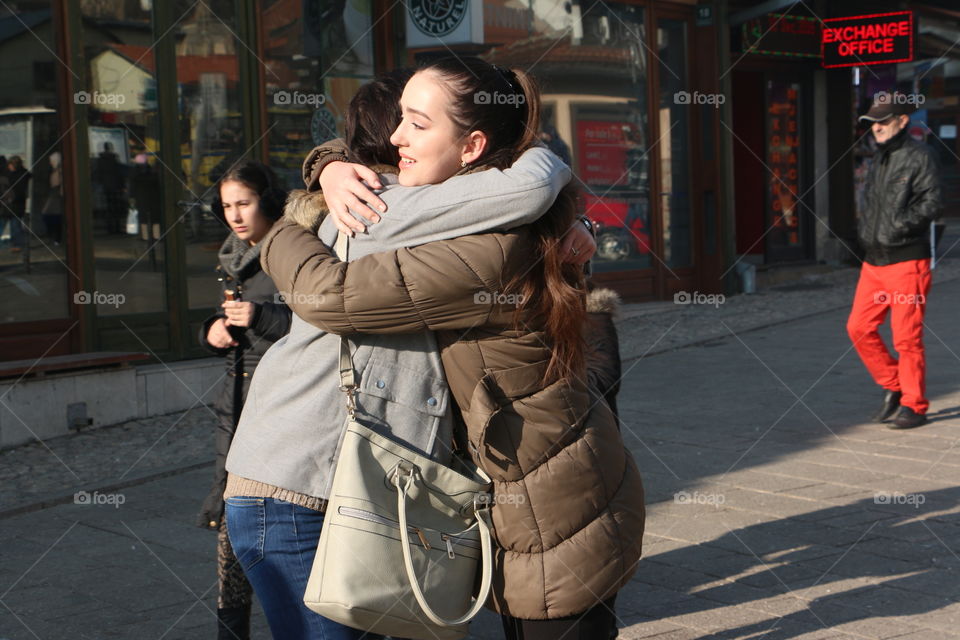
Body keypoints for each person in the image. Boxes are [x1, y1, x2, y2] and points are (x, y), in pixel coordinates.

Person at [260, 56, 645, 639]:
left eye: (417, 123)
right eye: (398, 120)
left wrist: (283, 228)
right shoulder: (486, 210)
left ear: (472, 148)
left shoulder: (485, 248)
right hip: (541, 488)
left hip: (553, 512)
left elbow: (329, 296)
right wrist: (330, 166)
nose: (397, 137)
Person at [198, 160, 292, 639]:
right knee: (230, 528)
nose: (234, 215)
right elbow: (225, 320)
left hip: (276, 407)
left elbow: (318, 321)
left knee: (270, 529)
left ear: (267, 200)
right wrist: (211, 330)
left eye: (244, 203)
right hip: (233, 403)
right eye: (227, 205)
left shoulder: (289, 249)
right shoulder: (233, 255)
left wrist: (260, 316)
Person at [847, 92, 942, 430]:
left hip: (906, 260)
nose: (876, 127)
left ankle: (914, 406)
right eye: (872, 122)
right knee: (858, 328)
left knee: (906, 337)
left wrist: (898, 227)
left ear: (902, 121)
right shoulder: (879, 158)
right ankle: (894, 384)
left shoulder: (921, 156)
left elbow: (932, 203)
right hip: (874, 262)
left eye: (883, 121)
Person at [5, 156, 32, 253]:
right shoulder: (18, 174)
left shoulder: (19, 175)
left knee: (15, 223)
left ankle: (17, 244)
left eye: (10, 165)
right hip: (15, 202)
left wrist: (11, 198)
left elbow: (19, 190)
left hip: (16, 203)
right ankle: (16, 243)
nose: (9, 167)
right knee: (14, 224)